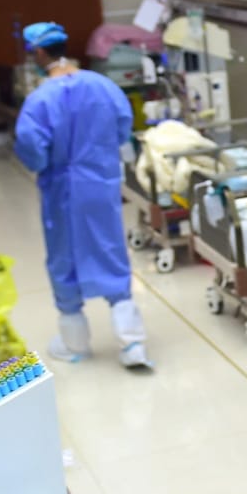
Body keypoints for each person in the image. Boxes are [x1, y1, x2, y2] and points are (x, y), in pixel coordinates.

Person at [13, 22, 151, 369]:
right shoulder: (102, 86)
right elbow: (123, 128)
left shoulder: (40, 99)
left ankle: (75, 343)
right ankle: (132, 344)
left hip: (61, 189)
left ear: (39, 53)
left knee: (64, 255)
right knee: (109, 248)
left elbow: (32, 149)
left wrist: (51, 161)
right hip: (100, 184)